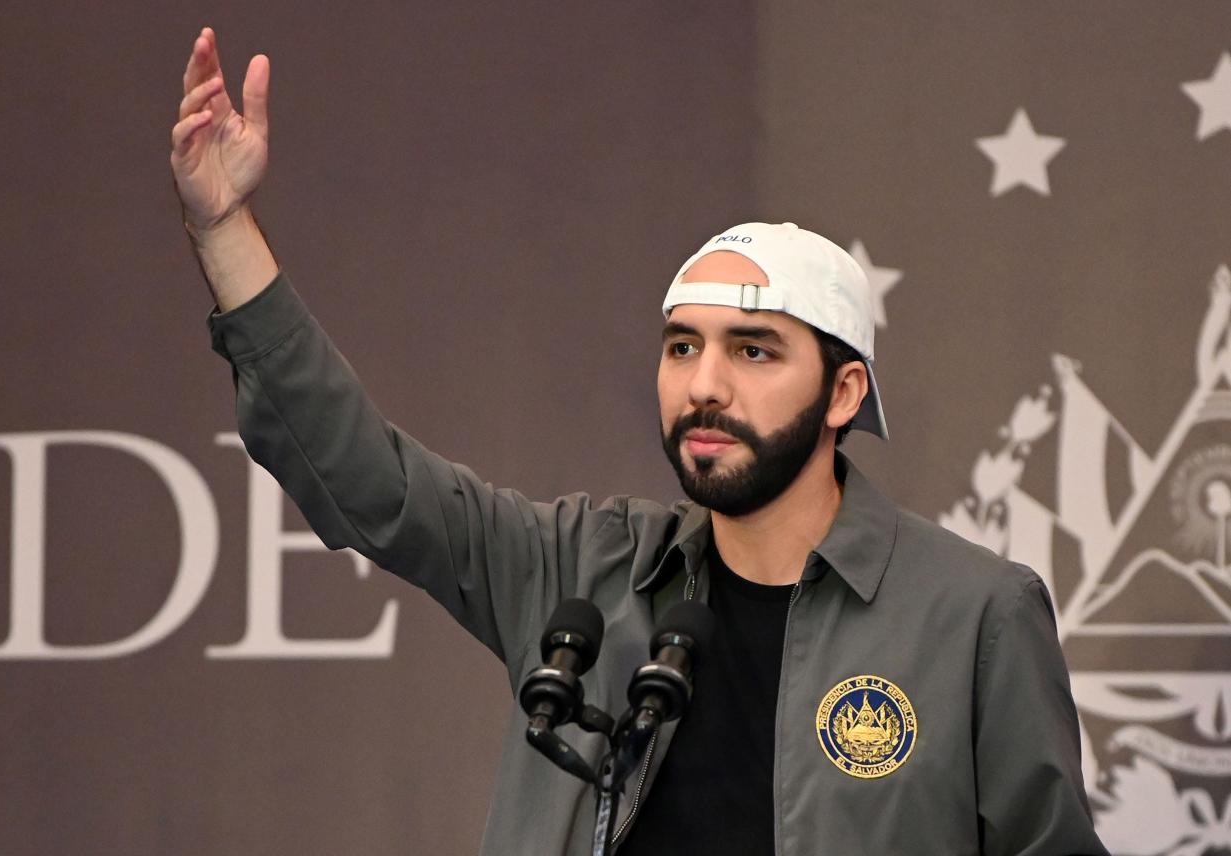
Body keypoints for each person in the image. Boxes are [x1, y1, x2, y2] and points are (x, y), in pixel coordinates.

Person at [171, 26, 1109, 856]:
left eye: (752, 350)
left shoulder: (975, 615)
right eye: (681, 346)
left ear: (843, 392)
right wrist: (224, 231)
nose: (703, 382)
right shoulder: (581, 568)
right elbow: (369, 479)